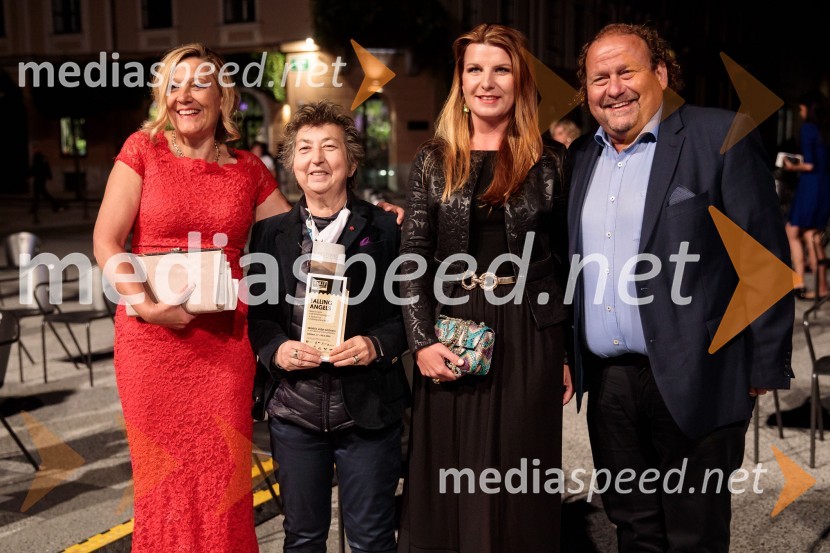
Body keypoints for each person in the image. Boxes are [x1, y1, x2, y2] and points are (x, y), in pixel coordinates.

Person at [568, 23, 794, 552]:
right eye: (599, 78)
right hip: (609, 383)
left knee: (695, 535)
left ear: (661, 74)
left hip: (699, 372)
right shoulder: (579, 157)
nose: (614, 88)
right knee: (633, 526)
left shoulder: (721, 135)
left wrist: (760, 367)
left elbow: (764, 261)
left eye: (626, 72)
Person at [92, 43, 293, 551]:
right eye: (174, 85)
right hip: (150, 344)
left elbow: (299, 235)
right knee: (162, 482)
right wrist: (145, 306)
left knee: (223, 479)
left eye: (199, 83)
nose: (184, 95)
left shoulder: (248, 169)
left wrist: (367, 216)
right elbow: (107, 242)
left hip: (225, 346)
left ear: (223, 97)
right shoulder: (142, 150)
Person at [398, 23, 573, 553]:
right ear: (461, 81)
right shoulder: (433, 159)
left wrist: (566, 353)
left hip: (530, 331)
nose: (487, 82)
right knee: (452, 466)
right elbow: (412, 257)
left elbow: (565, 260)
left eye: (501, 69)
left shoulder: (549, 160)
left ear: (521, 81)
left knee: (522, 465)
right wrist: (421, 341)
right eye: (474, 69)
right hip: (453, 328)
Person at [247, 100, 409, 553]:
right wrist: (276, 350)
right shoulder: (269, 233)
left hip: (368, 409)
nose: (316, 159)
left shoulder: (388, 228)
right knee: (302, 539)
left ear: (351, 162)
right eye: (304, 148)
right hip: (294, 410)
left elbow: (411, 312)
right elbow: (258, 315)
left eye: (330, 147)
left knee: (372, 541)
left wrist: (377, 344)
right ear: (292, 164)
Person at [785, 92, 830, 299]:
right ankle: (819, 286)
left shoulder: (808, 129)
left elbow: (810, 164)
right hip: (824, 185)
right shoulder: (825, 130)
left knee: (794, 231)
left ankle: (798, 282)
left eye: (801, 108)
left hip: (810, 186)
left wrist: (791, 166)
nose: (800, 112)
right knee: (811, 234)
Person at [29, 150, 62, 220]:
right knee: (41, 196)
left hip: (38, 182)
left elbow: (31, 172)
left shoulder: (37, 164)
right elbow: (47, 171)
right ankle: (54, 206)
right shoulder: (43, 163)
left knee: (41, 195)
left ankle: (55, 205)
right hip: (41, 181)